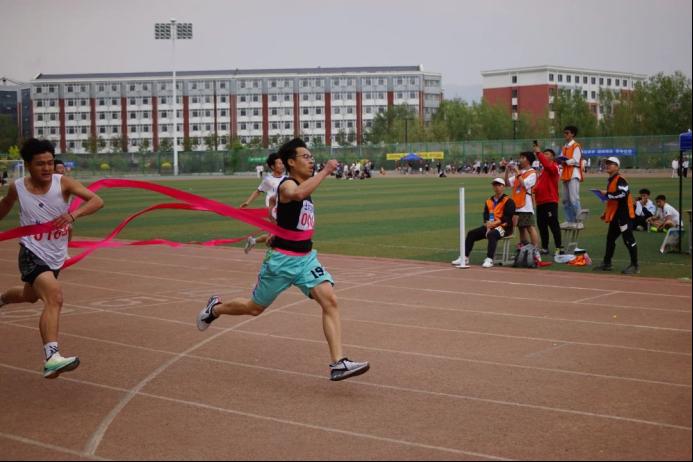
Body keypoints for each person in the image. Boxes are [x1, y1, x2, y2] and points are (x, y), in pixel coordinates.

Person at [196, 138, 369, 381]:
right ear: (291, 162)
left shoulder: (303, 187)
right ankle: (215, 309)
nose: (311, 161)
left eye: (311, 157)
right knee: (254, 308)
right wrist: (326, 171)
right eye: (305, 157)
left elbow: (288, 218)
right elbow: (296, 194)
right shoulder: (288, 185)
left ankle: (338, 363)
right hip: (281, 263)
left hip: (306, 260)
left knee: (330, 301)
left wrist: (276, 231)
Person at [0, 138, 104, 378]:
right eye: (40, 164)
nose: (47, 168)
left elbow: (97, 200)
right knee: (55, 296)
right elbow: (4, 206)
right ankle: (51, 357)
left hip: (54, 255)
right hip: (31, 252)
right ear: (28, 165)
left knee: (30, 296)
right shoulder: (17, 187)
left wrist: (73, 215)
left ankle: (2, 298)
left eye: (49, 162)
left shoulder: (63, 182)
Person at [593, 157, 639, 274]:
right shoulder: (612, 179)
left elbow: (622, 194)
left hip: (624, 215)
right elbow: (614, 200)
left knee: (628, 240)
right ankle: (607, 263)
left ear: (617, 167)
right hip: (616, 215)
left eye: (611, 163)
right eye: (607, 163)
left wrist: (607, 194)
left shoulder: (620, 179)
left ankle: (635, 265)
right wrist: (606, 213)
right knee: (610, 239)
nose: (607, 165)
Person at [460, 178, 516, 268]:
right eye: (495, 185)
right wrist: (487, 223)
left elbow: (508, 217)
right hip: (490, 226)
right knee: (471, 234)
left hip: (504, 228)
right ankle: (465, 257)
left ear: (503, 187)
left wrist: (495, 223)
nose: (497, 187)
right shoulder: (489, 201)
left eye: (499, 185)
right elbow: (486, 215)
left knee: (492, 234)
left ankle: (489, 259)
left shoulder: (509, 201)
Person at [239, 152, 286, 253]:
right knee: (278, 235)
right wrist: (247, 202)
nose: (282, 165)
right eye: (279, 163)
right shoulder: (268, 180)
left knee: (276, 234)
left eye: (282, 163)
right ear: (273, 166)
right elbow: (258, 191)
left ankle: (253, 241)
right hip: (272, 211)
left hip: (283, 210)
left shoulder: (286, 179)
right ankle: (273, 254)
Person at [505, 151, 540, 258]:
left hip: (526, 205)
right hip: (517, 204)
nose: (520, 160)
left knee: (530, 227)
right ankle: (524, 251)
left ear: (528, 160)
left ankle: (535, 250)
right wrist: (507, 171)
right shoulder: (520, 172)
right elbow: (507, 183)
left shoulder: (532, 173)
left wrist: (517, 172)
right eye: (520, 157)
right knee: (521, 228)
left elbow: (524, 184)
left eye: (522, 158)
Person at [532, 144, 563, 255]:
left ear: (552, 157)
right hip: (540, 202)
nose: (545, 155)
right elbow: (539, 185)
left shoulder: (554, 167)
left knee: (553, 225)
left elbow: (547, 165)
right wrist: (534, 190)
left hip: (550, 201)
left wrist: (538, 153)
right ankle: (545, 247)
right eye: (544, 154)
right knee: (542, 226)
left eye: (547, 154)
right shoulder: (543, 171)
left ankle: (559, 247)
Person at [559, 125, 584, 227]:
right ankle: (569, 220)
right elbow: (561, 158)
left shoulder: (576, 146)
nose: (565, 135)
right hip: (565, 173)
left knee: (574, 198)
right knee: (565, 199)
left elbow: (575, 160)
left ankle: (579, 221)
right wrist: (560, 161)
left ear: (572, 134)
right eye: (564, 133)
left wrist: (565, 161)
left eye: (567, 133)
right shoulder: (564, 147)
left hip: (573, 173)